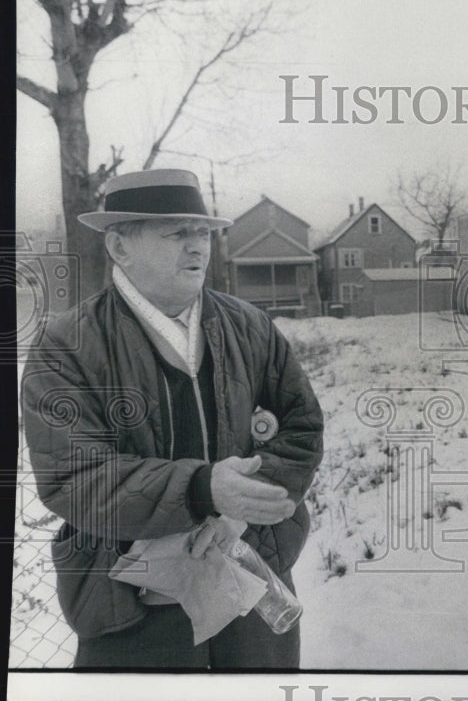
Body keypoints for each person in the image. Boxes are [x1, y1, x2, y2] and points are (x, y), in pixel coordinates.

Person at [20, 168, 324, 668]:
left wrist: (239, 509)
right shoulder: (67, 346)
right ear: (120, 247)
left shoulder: (250, 326)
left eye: (202, 232)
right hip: (129, 609)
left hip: (250, 582)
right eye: (177, 232)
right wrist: (201, 490)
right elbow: (73, 477)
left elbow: (302, 428)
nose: (197, 247)